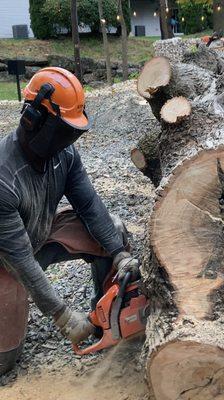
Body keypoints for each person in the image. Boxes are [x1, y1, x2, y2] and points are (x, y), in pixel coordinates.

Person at [0, 67, 139, 375]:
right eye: (62, 129)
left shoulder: (65, 155)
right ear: (33, 119)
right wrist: (62, 316)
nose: (66, 139)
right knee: (4, 362)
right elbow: (20, 260)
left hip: (40, 233)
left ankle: (106, 317)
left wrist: (120, 254)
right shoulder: (4, 177)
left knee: (113, 231)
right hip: (7, 259)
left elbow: (89, 205)